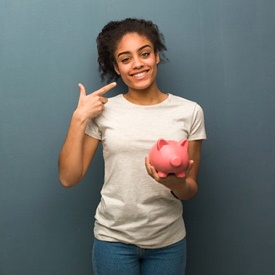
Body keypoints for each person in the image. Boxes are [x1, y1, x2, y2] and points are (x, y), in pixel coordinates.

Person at [58, 18, 206, 275]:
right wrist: (79, 118)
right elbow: (69, 178)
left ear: (156, 56)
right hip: (113, 241)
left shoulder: (189, 111)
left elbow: (190, 190)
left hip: (167, 242)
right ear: (116, 67)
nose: (138, 64)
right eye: (126, 59)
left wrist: (174, 184)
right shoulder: (104, 111)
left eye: (145, 54)